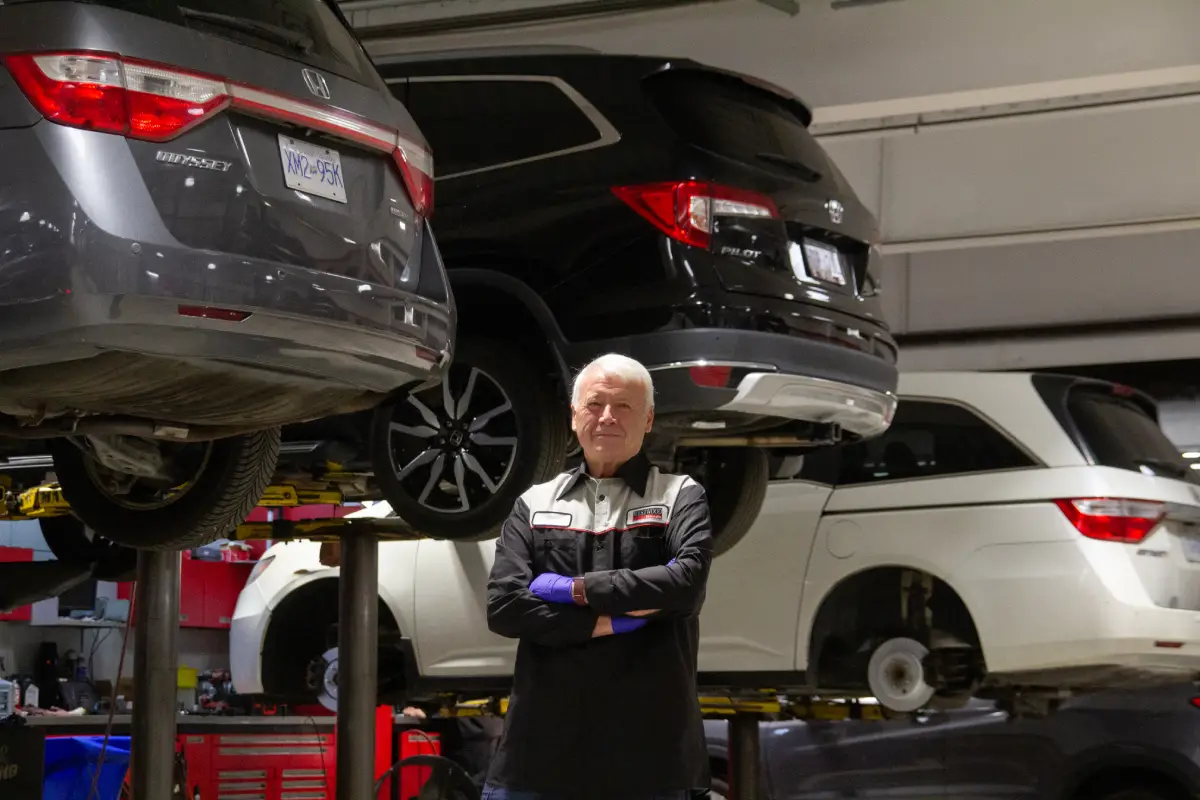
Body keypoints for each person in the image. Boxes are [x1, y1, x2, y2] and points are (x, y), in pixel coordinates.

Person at [482, 353, 715, 800]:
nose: (607, 417)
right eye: (594, 404)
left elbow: (685, 585)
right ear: (573, 417)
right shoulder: (534, 503)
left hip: (652, 764)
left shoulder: (680, 496)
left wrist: (573, 590)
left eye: (623, 406)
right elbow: (505, 607)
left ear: (648, 420)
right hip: (538, 762)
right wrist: (603, 621)